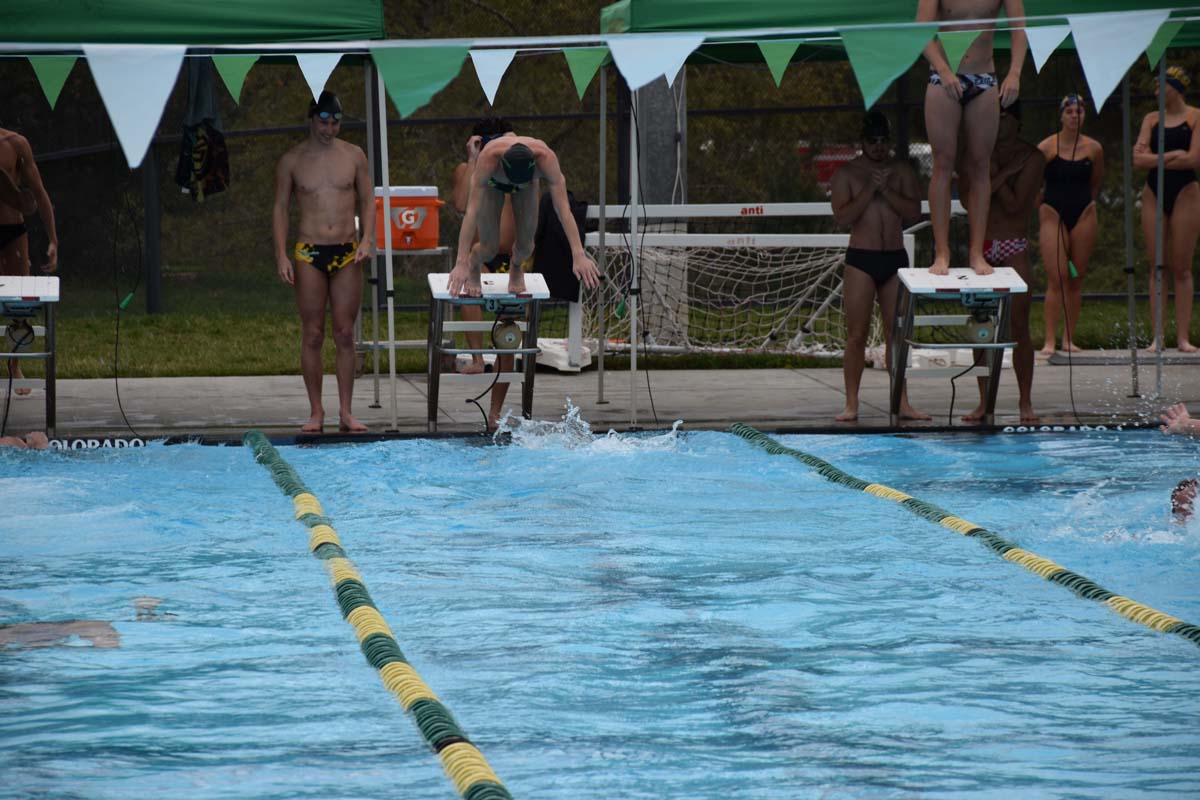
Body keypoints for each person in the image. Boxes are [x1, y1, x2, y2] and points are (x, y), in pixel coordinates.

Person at [448, 131, 601, 429]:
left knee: (527, 245)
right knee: (488, 246)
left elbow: (563, 210)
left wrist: (578, 253)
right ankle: (477, 264)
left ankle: (516, 267)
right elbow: (471, 212)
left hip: (526, 188)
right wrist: (461, 261)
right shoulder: (489, 160)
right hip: (494, 188)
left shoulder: (545, 159)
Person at [273, 91, 374, 433]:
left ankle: (346, 411)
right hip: (309, 252)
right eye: (323, 122)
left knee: (345, 333)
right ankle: (316, 411)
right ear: (311, 119)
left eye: (335, 123)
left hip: (347, 251)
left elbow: (368, 200)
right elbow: (280, 208)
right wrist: (281, 255)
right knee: (313, 333)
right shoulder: (292, 160)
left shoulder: (354, 155)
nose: (329, 129)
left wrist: (367, 240)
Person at [830, 112, 930, 423]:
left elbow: (913, 212)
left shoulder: (901, 172)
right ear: (862, 142)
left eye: (883, 140)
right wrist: (869, 190)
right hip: (862, 259)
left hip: (894, 259)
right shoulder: (847, 173)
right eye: (872, 141)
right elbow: (842, 217)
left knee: (896, 334)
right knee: (856, 335)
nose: (878, 146)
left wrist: (886, 190)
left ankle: (902, 402)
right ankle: (851, 403)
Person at [918, 0, 1027, 276]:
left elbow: (1019, 29)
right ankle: (942, 252)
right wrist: (943, 70)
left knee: (981, 165)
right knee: (943, 162)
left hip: (984, 78)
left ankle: (977, 252)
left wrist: (1015, 73)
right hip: (943, 78)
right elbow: (921, 31)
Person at [956, 99, 1042, 424]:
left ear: (1017, 122)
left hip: (1012, 245)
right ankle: (984, 402)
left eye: (1003, 117)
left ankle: (1025, 401)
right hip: (982, 246)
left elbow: (1017, 207)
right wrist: (1002, 173)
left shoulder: (1032, 158)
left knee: (1019, 326)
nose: (998, 123)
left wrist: (993, 179)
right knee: (981, 325)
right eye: (994, 117)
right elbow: (969, 201)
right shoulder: (976, 153)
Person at [1133, 66, 1200, 353]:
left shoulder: (1195, 117)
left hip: (1186, 191)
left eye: (1162, 85)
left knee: (1181, 267)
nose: (1157, 90)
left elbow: (1194, 159)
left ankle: (1183, 337)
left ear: (1176, 87)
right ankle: (1157, 336)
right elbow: (1138, 160)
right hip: (1154, 192)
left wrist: (1155, 158)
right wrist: (1172, 155)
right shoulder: (1151, 119)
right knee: (1157, 266)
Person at [451, 118, 519, 377]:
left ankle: (505, 362)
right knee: (468, 285)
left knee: (508, 321)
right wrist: (473, 160)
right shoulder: (465, 170)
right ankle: (477, 358)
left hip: (509, 257)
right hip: (479, 258)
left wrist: (515, 147)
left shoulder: (516, 170)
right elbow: (460, 204)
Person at [1037, 94, 1104, 355]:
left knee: (1076, 277)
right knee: (1058, 277)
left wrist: (1089, 204)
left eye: (1079, 112)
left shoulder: (1094, 149)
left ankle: (1068, 338)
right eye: (1070, 112)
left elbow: (1095, 182)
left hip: (1083, 213)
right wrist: (1041, 209)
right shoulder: (1046, 148)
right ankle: (1049, 340)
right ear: (1061, 116)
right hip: (1053, 213)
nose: (1075, 116)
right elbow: (1035, 185)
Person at [1, 127, 58, 396]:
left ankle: (15, 365)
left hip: (13, 230)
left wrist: (53, 239)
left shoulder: (15, 144)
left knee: (19, 304)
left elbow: (39, 192)